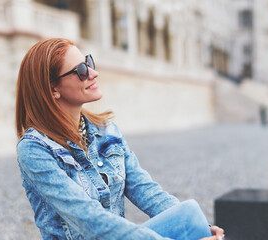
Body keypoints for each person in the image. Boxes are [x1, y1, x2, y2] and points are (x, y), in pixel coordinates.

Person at [15, 38, 224, 240]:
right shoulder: (35, 149)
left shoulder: (106, 131)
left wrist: (202, 228)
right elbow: (90, 219)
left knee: (189, 213)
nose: (93, 73)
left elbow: (145, 190)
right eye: (81, 71)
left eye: (89, 63)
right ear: (53, 89)